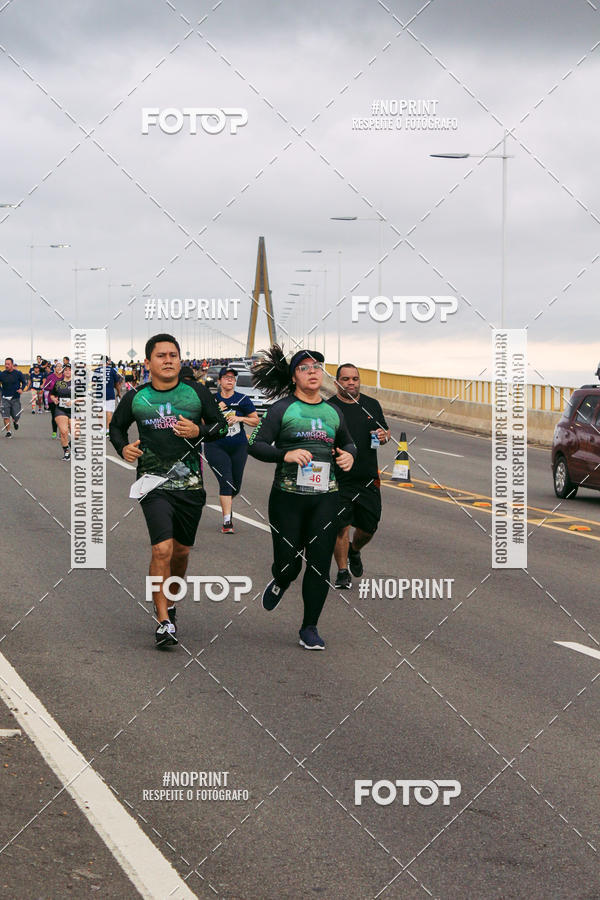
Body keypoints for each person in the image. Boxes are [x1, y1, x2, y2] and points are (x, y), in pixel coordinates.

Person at [109, 333, 228, 649]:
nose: (168, 360)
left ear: (180, 360)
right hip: (153, 484)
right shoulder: (136, 397)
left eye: (173, 355)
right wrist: (123, 448)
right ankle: (163, 620)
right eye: (161, 356)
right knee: (161, 549)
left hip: (190, 485)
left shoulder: (197, 393)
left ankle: (171, 602)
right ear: (148, 363)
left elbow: (221, 427)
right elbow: (116, 428)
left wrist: (199, 430)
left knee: (181, 552)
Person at [248, 346, 356, 650]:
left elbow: (348, 443)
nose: (313, 371)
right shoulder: (282, 409)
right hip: (287, 499)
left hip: (325, 499)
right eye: (305, 367)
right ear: (294, 376)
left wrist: (349, 455)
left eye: (317, 366)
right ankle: (281, 580)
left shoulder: (333, 412)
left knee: (320, 564)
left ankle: (310, 627)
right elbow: (255, 446)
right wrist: (287, 454)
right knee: (288, 564)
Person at [327, 364, 391, 589]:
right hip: (339, 478)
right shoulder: (329, 408)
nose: (351, 383)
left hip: (367, 476)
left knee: (369, 527)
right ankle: (342, 572)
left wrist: (384, 436)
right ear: (337, 383)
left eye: (354, 379)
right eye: (345, 379)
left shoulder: (371, 404)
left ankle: (355, 550)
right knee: (340, 527)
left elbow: (385, 432)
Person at [204, 366, 259, 533]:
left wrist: (239, 418)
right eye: (226, 377)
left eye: (232, 378)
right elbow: (202, 423)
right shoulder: (211, 400)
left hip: (238, 445)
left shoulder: (243, 400)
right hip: (216, 446)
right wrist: (216, 411)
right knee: (226, 481)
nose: (230, 380)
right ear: (219, 381)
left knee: (236, 486)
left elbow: (256, 421)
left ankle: (227, 502)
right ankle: (227, 522)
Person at [49, 363, 74, 459]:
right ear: (63, 372)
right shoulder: (58, 383)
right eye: (66, 370)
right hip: (61, 410)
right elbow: (52, 394)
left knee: (76, 434)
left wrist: (73, 401)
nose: (68, 372)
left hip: (74, 410)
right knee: (64, 432)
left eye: (69, 370)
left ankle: (71, 444)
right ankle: (66, 451)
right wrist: (54, 399)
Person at [0, 358, 27, 438]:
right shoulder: (2, 374)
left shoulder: (18, 373)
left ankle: (16, 421)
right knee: (6, 416)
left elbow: (24, 382)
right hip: (5, 398)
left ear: (12, 364)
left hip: (15, 398)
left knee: (16, 415)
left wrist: (21, 389)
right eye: (5, 364)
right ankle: (8, 431)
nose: (6, 366)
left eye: (8, 364)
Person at [43, 362, 63, 438]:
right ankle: (54, 431)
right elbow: (45, 387)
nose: (59, 368)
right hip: (52, 399)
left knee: (62, 417)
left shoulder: (64, 377)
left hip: (62, 399)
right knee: (54, 416)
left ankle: (61, 432)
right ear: (54, 368)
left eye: (60, 367)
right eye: (57, 367)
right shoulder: (50, 377)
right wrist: (53, 388)